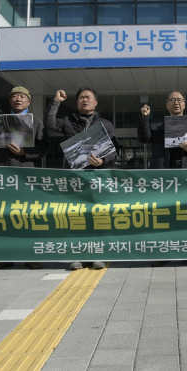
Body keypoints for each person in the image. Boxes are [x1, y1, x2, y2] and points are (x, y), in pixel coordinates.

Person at [0, 86, 50, 270]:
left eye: (22, 96)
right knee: (2, 215)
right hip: (1, 173)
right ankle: (3, 256)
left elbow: (44, 146)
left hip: (24, 175)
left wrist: (25, 152)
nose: (18, 99)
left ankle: (29, 255)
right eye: (14, 96)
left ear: (28, 102)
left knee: (26, 215)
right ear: (9, 101)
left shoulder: (36, 122)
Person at [46, 87, 118, 270]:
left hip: (97, 178)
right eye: (80, 98)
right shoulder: (68, 121)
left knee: (97, 217)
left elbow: (115, 151)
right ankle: (77, 254)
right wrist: (56, 102)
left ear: (95, 102)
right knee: (76, 217)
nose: (84, 100)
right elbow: (50, 124)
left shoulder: (106, 125)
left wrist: (102, 161)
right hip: (74, 178)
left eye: (88, 97)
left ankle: (98, 254)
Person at [138, 91, 187, 267]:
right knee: (164, 214)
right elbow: (144, 138)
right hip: (164, 175)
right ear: (166, 105)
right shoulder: (157, 125)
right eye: (172, 100)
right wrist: (144, 118)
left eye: (179, 100)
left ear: (184, 104)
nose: (176, 103)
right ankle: (163, 252)